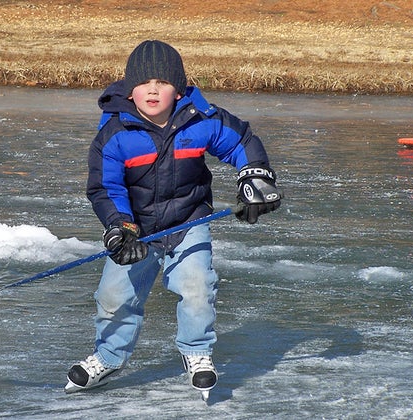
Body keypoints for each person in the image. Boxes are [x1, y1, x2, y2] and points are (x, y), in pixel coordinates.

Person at [65, 40, 281, 400]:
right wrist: (120, 226)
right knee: (114, 296)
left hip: (187, 221)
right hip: (137, 229)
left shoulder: (199, 121)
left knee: (197, 287)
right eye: (144, 82)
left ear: (178, 89)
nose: (153, 89)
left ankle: (197, 351)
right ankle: (107, 356)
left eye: (163, 82)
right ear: (129, 89)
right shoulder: (115, 136)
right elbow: (105, 187)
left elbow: (240, 140)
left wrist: (253, 177)